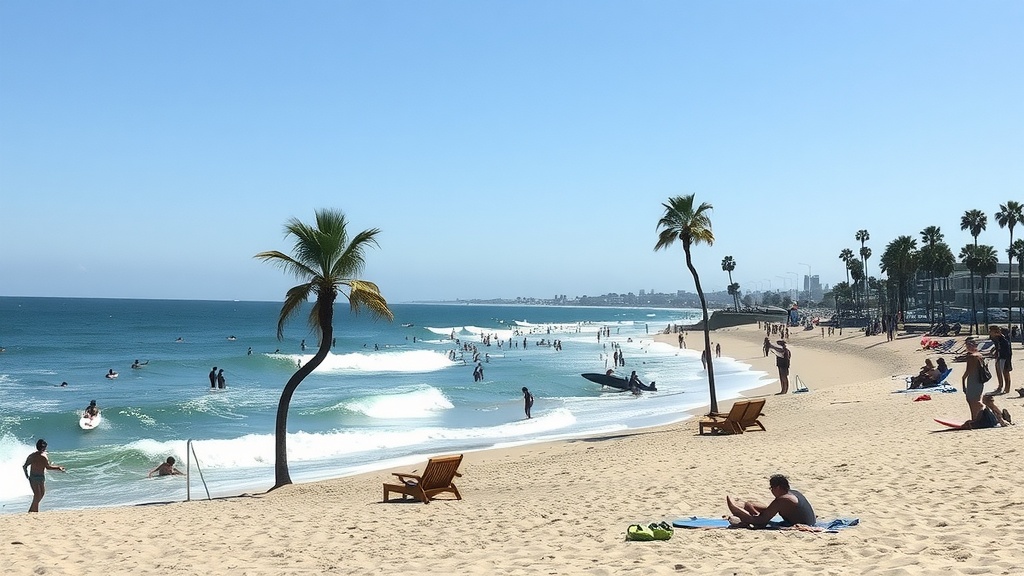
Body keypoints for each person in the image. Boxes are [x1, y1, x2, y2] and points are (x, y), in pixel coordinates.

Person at [726, 474, 816, 528]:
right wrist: (749, 505)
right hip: (810, 522)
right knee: (749, 505)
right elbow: (771, 509)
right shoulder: (793, 493)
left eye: (771, 488)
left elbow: (762, 520)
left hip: (805, 525)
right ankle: (742, 508)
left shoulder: (783, 500)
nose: (771, 490)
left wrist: (739, 512)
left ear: (777, 487)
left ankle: (736, 510)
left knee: (755, 520)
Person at [23, 439, 66, 512]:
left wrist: (27, 476)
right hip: (39, 477)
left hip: (34, 477)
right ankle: (33, 511)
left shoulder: (32, 456)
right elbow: (48, 467)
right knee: (39, 495)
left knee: (39, 495)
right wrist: (58, 468)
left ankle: (32, 510)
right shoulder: (43, 456)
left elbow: (24, 466)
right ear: (44, 447)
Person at [961, 337, 985, 421]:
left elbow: (968, 371)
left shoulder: (971, 357)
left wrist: (963, 380)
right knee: (976, 398)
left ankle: (975, 417)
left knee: (971, 400)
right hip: (979, 380)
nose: (968, 347)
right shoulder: (980, 355)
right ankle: (976, 418)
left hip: (973, 379)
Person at [986, 325, 1013, 395]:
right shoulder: (994, 337)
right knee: (999, 372)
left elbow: (1006, 346)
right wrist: (993, 350)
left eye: (991, 331)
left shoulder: (1003, 337)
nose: (989, 332)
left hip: (1005, 356)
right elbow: (996, 345)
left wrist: (1001, 336)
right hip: (999, 356)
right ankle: (1000, 386)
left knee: (1005, 372)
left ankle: (1007, 388)